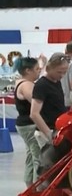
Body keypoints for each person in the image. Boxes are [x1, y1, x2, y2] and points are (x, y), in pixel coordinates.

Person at [13, 57, 43, 187]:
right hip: (29, 124)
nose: (39, 71)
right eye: (37, 69)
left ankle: (30, 186)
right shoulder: (26, 85)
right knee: (38, 157)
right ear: (28, 70)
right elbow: (38, 103)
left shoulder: (20, 82)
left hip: (24, 124)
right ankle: (36, 190)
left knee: (31, 156)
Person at [31, 53, 70, 147]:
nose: (62, 75)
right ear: (49, 68)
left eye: (65, 72)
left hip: (57, 129)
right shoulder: (42, 85)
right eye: (59, 72)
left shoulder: (57, 82)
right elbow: (34, 114)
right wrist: (49, 134)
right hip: (47, 131)